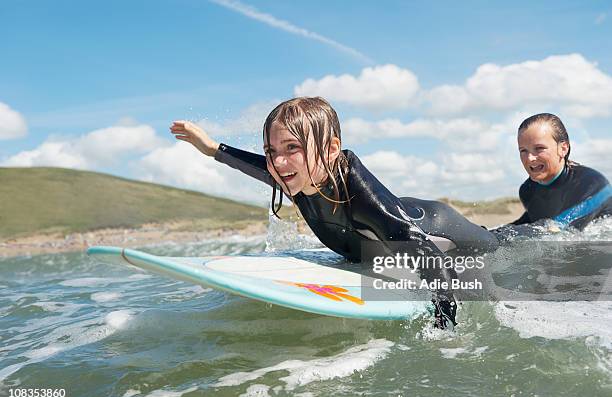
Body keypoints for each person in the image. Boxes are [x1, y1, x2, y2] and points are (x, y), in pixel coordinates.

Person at [171, 97, 499, 329]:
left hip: (439, 228)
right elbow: (259, 167)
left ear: (330, 149)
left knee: (497, 244)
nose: (278, 163)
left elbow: (430, 260)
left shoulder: (365, 201)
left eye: (292, 148)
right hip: (390, 230)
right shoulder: (297, 176)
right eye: (272, 151)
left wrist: (445, 327)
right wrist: (213, 149)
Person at [509, 113, 612, 231]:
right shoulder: (528, 191)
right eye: (523, 151)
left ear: (563, 149)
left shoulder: (592, 183)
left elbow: (559, 230)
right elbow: (534, 224)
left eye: (539, 148)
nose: (529, 158)